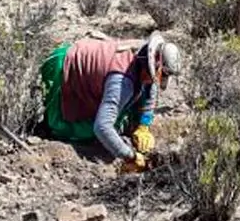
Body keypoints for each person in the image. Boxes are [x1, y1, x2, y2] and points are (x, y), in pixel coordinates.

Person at [39, 32, 182, 173]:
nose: (163, 78)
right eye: (164, 74)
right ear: (155, 64)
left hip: (92, 72)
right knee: (66, 128)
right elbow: (102, 127)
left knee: (120, 117)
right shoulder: (122, 82)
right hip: (62, 68)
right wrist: (130, 156)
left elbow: (150, 94)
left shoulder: (142, 56)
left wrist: (144, 125)